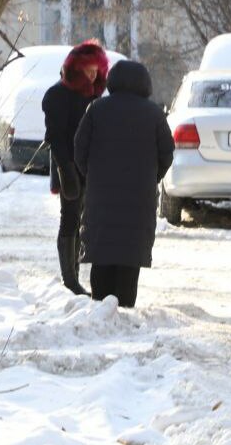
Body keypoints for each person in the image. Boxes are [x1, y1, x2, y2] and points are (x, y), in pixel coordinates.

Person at [74, 61, 174, 307]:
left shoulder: (96, 109)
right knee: (129, 260)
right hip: (139, 201)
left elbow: (79, 148)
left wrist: (92, 176)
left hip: (101, 198)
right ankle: (125, 314)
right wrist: (153, 177)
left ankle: (100, 311)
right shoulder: (154, 114)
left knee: (102, 255)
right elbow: (167, 153)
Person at [42, 40, 109, 295]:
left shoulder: (93, 95)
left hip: (89, 166)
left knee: (83, 220)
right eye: (88, 69)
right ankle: (69, 280)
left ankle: (76, 277)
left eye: (96, 69)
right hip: (67, 164)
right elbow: (55, 137)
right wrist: (65, 170)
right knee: (69, 218)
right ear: (77, 68)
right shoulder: (57, 95)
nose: (93, 74)